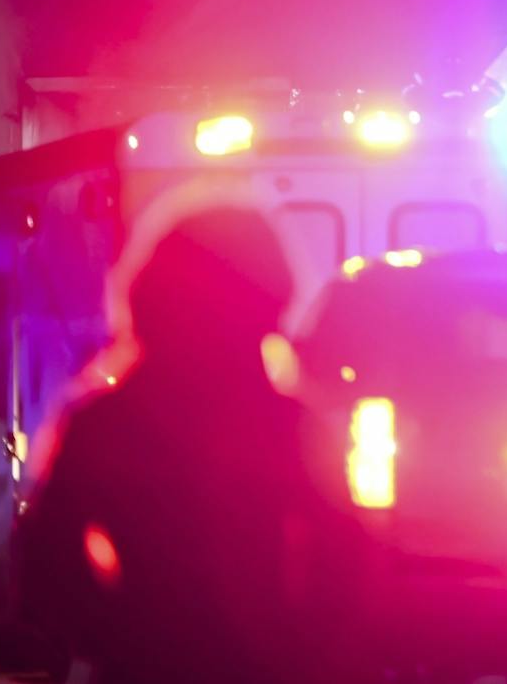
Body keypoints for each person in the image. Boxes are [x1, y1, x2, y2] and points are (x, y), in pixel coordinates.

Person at [18, 207, 357, 684]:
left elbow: (44, 564)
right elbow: (346, 566)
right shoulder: (293, 428)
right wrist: (300, 647)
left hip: (141, 666)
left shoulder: (105, 425)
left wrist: (113, 633)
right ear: (269, 307)